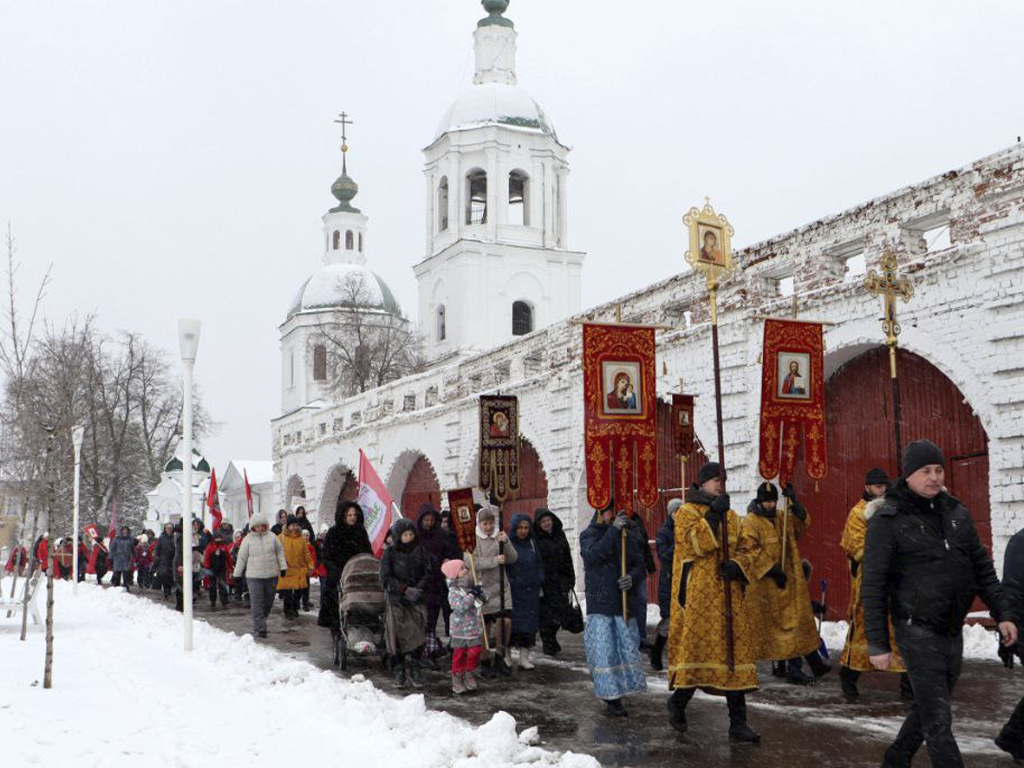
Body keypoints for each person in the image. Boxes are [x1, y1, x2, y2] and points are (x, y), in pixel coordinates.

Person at [863, 439, 1018, 768]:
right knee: (938, 720)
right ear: (908, 476)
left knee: (930, 705)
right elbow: (874, 585)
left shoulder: (956, 512)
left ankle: (897, 757)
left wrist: (1002, 612)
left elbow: (982, 568)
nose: (933, 477)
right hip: (915, 629)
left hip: (950, 628)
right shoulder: (888, 520)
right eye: (925, 471)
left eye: (938, 470)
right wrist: (877, 642)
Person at [666, 462, 761, 742]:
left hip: (729, 595)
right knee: (697, 653)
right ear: (703, 483)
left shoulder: (732, 515)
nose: (720, 484)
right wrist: (712, 518)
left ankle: (738, 722)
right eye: (714, 480)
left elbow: (748, 548)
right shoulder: (686, 512)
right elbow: (692, 545)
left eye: (723, 479)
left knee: (733, 653)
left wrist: (738, 566)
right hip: (698, 596)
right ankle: (678, 703)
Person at [742, 482, 830, 685]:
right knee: (784, 628)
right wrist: (771, 570)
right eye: (767, 501)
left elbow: (799, 527)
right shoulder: (751, 522)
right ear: (759, 501)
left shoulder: (782, 517)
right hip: (766, 586)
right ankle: (793, 669)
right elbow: (749, 550)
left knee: (799, 621)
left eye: (774, 500)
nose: (771, 505)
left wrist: (796, 504)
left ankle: (813, 663)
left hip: (788, 581)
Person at [838, 468, 910, 698]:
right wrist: (881, 557)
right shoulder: (857, 513)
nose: (882, 490)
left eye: (884, 486)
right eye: (878, 486)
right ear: (868, 487)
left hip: (896, 582)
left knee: (901, 633)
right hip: (869, 581)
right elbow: (856, 547)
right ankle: (848, 679)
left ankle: (908, 686)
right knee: (864, 631)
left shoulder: (892, 509)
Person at [579, 502, 647, 716]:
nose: (614, 514)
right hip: (601, 603)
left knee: (625, 648)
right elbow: (593, 557)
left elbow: (640, 564)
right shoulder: (589, 534)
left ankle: (622, 688)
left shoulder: (626, 535)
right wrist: (613, 530)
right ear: (600, 512)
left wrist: (632, 577)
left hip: (624, 602)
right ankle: (611, 698)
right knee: (605, 653)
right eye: (610, 511)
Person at [466, 506, 517, 677]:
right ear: (479, 524)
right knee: (484, 628)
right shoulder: (472, 540)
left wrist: (506, 543)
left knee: (505, 623)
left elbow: (512, 558)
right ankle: (485, 660)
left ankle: (500, 656)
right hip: (483, 589)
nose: (488, 527)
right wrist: (493, 561)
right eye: (485, 523)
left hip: (502, 588)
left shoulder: (498, 536)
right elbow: (470, 562)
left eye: (491, 523)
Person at [379, 518, 429, 688]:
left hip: (416, 600)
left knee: (417, 636)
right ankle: (399, 670)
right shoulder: (390, 553)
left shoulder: (420, 551)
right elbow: (385, 577)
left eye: (411, 534)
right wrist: (404, 589)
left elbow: (427, 571)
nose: (408, 537)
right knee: (398, 638)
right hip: (397, 601)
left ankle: (415, 668)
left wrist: (418, 589)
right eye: (405, 534)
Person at [416, 504, 462, 665]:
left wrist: (448, 560)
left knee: (451, 615)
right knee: (430, 618)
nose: (429, 523)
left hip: (444, 582)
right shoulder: (417, 538)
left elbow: (454, 553)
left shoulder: (445, 536)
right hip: (427, 584)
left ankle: (454, 646)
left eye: (431, 520)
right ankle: (430, 650)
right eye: (426, 520)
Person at [318, 501, 373, 635]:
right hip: (339, 573)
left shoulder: (361, 532)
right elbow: (326, 556)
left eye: (354, 514)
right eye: (349, 515)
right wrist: (335, 570)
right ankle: (336, 627)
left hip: (358, 573)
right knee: (335, 600)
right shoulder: (333, 532)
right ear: (343, 516)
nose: (352, 517)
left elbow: (367, 552)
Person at [233, 512, 288, 638]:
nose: (260, 528)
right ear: (253, 527)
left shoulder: (273, 537)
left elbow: (280, 552)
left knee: (268, 602)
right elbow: (241, 558)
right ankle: (260, 628)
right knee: (257, 602)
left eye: (262, 526)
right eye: (257, 526)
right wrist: (237, 574)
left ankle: (260, 620)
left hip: (271, 575)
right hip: (254, 577)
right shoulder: (247, 540)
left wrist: (283, 567)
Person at [996, 522, 1024, 760]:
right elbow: (1011, 589)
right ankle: (1014, 738)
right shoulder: (1020, 542)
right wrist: (1009, 622)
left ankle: (1013, 737)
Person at [533, 508, 575, 658]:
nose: (546, 523)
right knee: (546, 615)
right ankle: (548, 641)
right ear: (538, 524)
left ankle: (552, 637)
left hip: (560, 580)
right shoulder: (536, 538)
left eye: (548, 520)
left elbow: (567, 557)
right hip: (545, 582)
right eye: (543, 521)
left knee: (560, 612)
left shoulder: (559, 534)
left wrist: (571, 578)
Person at [506, 513, 544, 670]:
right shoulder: (508, 544)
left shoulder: (533, 544)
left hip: (530, 592)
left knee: (528, 625)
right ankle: (506, 656)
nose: (523, 531)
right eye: (520, 528)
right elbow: (506, 567)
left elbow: (539, 564)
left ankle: (524, 657)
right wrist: (514, 582)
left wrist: (539, 578)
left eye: (526, 528)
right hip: (514, 592)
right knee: (512, 625)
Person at [443, 558, 486, 694]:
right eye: (462, 569)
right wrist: (471, 595)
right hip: (459, 629)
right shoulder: (454, 591)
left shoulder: (470, 586)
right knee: (459, 655)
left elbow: (484, 600)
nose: (466, 570)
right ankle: (457, 677)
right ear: (454, 574)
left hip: (473, 626)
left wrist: (481, 593)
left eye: (465, 568)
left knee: (474, 652)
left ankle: (469, 673)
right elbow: (460, 606)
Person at [651, 498, 683, 671]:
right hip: (670, 580)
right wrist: (678, 543)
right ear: (671, 513)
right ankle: (656, 651)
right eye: (676, 511)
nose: (679, 514)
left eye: (681, 511)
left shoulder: (688, 528)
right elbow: (663, 555)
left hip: (685, 579)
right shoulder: (664, 532)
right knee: (669, 620)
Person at [277, 515, 312, 620]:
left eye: (296, 525)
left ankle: (294, 607)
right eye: (293, 525)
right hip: (286, 569)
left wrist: (310, 565)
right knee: (287, 593)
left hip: (299, 569)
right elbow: (276, 553)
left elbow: (306, 552)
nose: (295, 527)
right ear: (288, 525)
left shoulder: (301, 538)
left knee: (299, 592)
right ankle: (288, 611)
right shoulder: (281, 538)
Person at [202, 526, 234, 609]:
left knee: (222, 585)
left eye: (220, 539)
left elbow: (228, 558)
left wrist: (230, 567)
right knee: (212, 586)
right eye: (217, 539)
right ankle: (213, 602)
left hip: (222, 569)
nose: (218, 541)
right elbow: (206, 558)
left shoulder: (224, 547)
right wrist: (207, 568)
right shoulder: (210, 547)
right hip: (211, 569)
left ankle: (224, 602)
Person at [153, 523, 176, 599]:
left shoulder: (175, 537)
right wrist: (157, 556)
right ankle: (166, 590)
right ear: (165, 529)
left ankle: (170, 588)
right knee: (164, 575)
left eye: (170, 528)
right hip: (164, 559)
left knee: (172, 576)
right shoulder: (161, 538)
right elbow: (157, 548)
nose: (169, 529)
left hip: (173, 559)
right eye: (167, 528)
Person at [109, 526, 134, 590]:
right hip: (118, 558)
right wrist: (111, 557)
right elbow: (112, 548)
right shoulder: (117, 539)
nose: (125, 531)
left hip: (126, 559)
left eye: (126, 530)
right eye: (123, 530)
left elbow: (132, 549)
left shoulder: (130, 539)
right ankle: (116, 586)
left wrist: (134, 556)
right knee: (117, 573)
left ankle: (126, 586)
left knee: (126, 574)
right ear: (121, 531)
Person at [300, 529, 317, 611]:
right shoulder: (299, 545)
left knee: (307, 587)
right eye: (304, 535)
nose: (306, 537)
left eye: (307, 535)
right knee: (300, 588)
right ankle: (302, 603)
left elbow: (312, 557)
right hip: (301, 569)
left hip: (308, 569)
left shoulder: (310, 545)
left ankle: (306, 601)